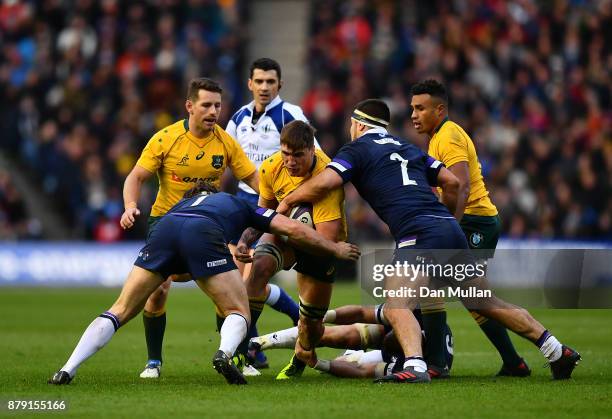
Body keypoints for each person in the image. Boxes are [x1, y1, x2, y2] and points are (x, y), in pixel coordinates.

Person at [277, 99, 581, 383]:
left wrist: (287, 201)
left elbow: (327, 181)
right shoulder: (407, 147)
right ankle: (556, 349)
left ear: (358, 125)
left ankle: (415, 365)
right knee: (485, 302)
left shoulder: (356, 149)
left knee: (396, 303)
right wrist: (446, 220)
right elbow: (452, 182)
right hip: (448, 229)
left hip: (417, 234)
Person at [48, 181, 360, 386]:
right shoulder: (234, 203)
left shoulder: (178, 208)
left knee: (120, 310)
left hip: (164, 231)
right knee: (238, 310)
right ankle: (225, 353)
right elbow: (290, 227)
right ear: (212, 194)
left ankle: (68, 368)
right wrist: (334, 248)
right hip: (205, 233)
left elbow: (180, 271)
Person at [119, 77, 259, 379]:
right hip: (165, 224)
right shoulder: (165, 138)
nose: (213, 111)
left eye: (217, 105)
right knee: (158, 290)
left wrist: (277, 203)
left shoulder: (225, 142)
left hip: (208, 227)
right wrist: (130, 206)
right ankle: (153, 362)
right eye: (206, 105)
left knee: (232, 288)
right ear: (189, 106)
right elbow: (135, 177)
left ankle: (235, 357)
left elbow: (255, 180)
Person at [410, 79, 530, 377]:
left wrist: (449, 229)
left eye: (420, 108)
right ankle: (515, 361)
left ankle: (547, 346)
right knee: (471, 298)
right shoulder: (438, 136)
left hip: (474, 222)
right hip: (473, 221)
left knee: (450, 291)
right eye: (412, 108)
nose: (413, 114)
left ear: (440, 110)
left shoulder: (448, 136)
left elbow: (461, 187)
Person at [234, 120, 347, 379]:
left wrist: (289, 219)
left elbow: (326, 239)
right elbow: (263, 215)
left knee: (311, 327)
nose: (290, 161)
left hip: (320, 246)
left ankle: (300, 358)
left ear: (311, 151)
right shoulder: (271, 167)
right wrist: (245, 240)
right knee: (259, 267)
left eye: (297, 155)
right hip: (286, 237)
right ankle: (242, 349)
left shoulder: (327, 177)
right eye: (286, 153)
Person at [225, 58, 314, 367]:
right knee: (242, 283)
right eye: (259, 81)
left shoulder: (292, 115)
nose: (264, 87)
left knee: (249, 279)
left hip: (276, 205)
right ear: (249, 83)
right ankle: (264, 340)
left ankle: (252, 349)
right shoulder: (237, 118)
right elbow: (228, 159)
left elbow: (310, 157)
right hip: (243, 203)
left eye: (270, 82)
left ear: (280, 85)